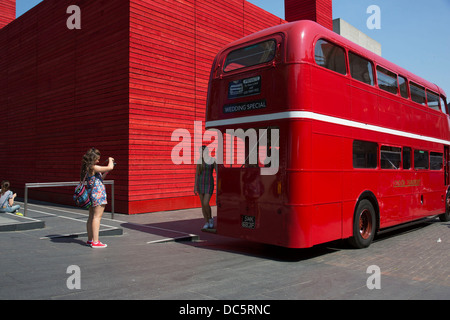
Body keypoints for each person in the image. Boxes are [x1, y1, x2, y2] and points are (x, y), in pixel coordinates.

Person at [80, 148, 114, 248]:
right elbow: (110, 167)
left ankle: (90, 240)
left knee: (91, 217)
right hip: (98, 194)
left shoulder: (89, 168)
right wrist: (111, 160)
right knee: (97, 217)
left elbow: (100, 179)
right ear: (93, 158)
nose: (98, 161)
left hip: (92, 194)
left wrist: (106, 172)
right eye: (97, 159)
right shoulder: (93, 167)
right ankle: (96, 241)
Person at [194, 145, 217, 229]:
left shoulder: (212, 160)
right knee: (203, 204)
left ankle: (210, 219)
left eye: (204, 151)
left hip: (209, 183)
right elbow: (197, 174)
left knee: (205, 202)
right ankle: (207, 221)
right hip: (200, 183)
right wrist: (195, 187)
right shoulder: (199, 161)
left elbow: (217, 172)